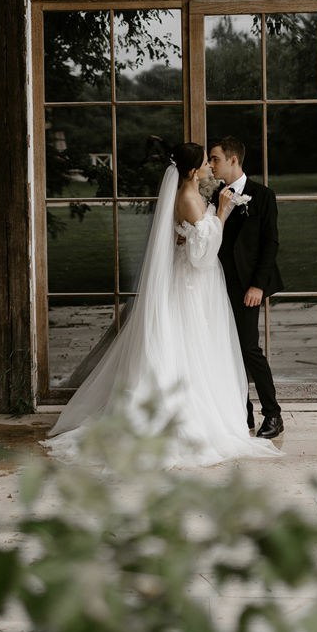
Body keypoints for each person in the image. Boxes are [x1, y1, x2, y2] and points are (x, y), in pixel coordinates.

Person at [44, 141, 279, 467]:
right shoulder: (187, 197)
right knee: (191, 347)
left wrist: (202, 224)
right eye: (206, 162)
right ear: (193, 169)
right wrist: (222, 214)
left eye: (214, 160)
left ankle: (244, 412)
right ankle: (191, 422)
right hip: (193, 283)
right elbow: (201, 256)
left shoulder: (194, 194)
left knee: (206, 348)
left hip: (198, 283)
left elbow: (191, 236)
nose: (211, 167)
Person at [208, 137, 284, 440]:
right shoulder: (212, 194)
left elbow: (270, 243)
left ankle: (273, 414)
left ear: (233, 160)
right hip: (214, 284)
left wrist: (257, 285)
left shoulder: (262, 196)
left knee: (249, 349)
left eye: (215, 159)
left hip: (246, 287)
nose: (211, 165)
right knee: (224, 351)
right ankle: (243, 412)